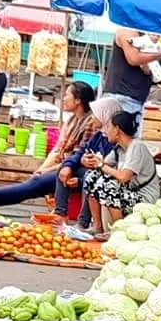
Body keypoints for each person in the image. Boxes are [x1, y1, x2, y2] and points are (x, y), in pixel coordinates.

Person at [0, 82, 98, 208]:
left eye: (67, 95)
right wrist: (42, 169)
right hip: (64, 165)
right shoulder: (72, 120)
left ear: (78, 100)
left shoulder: (89, 123)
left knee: (37, 184)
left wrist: (49, 170)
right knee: (36, 181)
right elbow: (58, 149)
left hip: (74, 168)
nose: (63, 99)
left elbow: (77, 156)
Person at [82, 111, 159, 237]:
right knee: (92, 177)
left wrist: (101, 165)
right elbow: (102, 166)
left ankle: (119, 232)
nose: (106, 131)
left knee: (109, 186)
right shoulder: (119, 148)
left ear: (117, 129)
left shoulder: (136, 147)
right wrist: (90, 161)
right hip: (128, 192)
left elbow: (124, 177)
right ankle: (97, 226)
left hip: (144, 198)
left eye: (109, 127)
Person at [54, 97, 122, 229]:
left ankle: (83, 222)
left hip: (106, 176)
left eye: (95, 115)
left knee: (89, 177)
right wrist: (73, 164)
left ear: (105, 116)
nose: (92, 119)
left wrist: (80, 180)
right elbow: (81, 152)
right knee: (63, 169)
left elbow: (111, 167)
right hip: (92, 170)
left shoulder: (115, 140)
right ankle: (60, 213)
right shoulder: (99, 136)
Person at [101, 28, 161, 119]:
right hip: (123, 96)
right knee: (120, 131)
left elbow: (143, 66)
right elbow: (134, 59)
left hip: (132, 97)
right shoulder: (128, 30)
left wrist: (150, 73)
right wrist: (159, 55)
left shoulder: (141, 34)